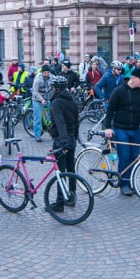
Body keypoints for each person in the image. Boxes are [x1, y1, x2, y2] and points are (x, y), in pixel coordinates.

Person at [103, 68, 140, 196]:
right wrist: (107, 127)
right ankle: (123, 184)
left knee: (134, 157)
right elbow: (110, 110)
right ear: (134, 78)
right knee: (124, 156)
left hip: (135, 128)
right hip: (120, 128)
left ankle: (131, 182)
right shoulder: (119, 91)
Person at [48, 75, 80, 212]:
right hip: (72, 137)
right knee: (71, 169)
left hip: (62, 139)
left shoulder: (56, 102)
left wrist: (63, 141)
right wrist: (74, 137)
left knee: (60, 172)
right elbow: (77, 120)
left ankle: (60, 202)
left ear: (55, 88)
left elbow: (60, 122)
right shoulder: (72, 100)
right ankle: (71, 196)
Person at [31, 64, 52, 142]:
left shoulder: (52, 78)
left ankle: (50, 130)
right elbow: (35, 92)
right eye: (45, 73)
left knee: (51, 116)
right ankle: (37, 136)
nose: (46, 74)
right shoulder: (37, 80)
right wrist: (41, 99)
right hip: (37, 99)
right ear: (42, 72)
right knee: (38, 118)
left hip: (48, 98)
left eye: (47, 73)